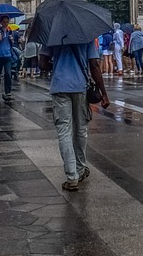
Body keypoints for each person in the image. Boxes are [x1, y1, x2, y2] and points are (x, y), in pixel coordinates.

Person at [43, 37, 108, 192]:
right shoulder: (85, 35)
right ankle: (80, 168)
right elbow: (94, 64)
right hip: (80, 86)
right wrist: (104, 93)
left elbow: (42, 64)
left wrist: (58, 65)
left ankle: (72, 177)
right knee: (80, 129)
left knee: (64, 131)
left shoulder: (52, 35)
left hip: (60, 87)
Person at [0, 15, 15, 101]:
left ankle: (8, 91)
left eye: (7, 22)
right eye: (4, 22)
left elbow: (13, 43)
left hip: (7, 55)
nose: (5, 23)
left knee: (8, 74)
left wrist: (12, 40)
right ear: (1, 22)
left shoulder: (10, 31)